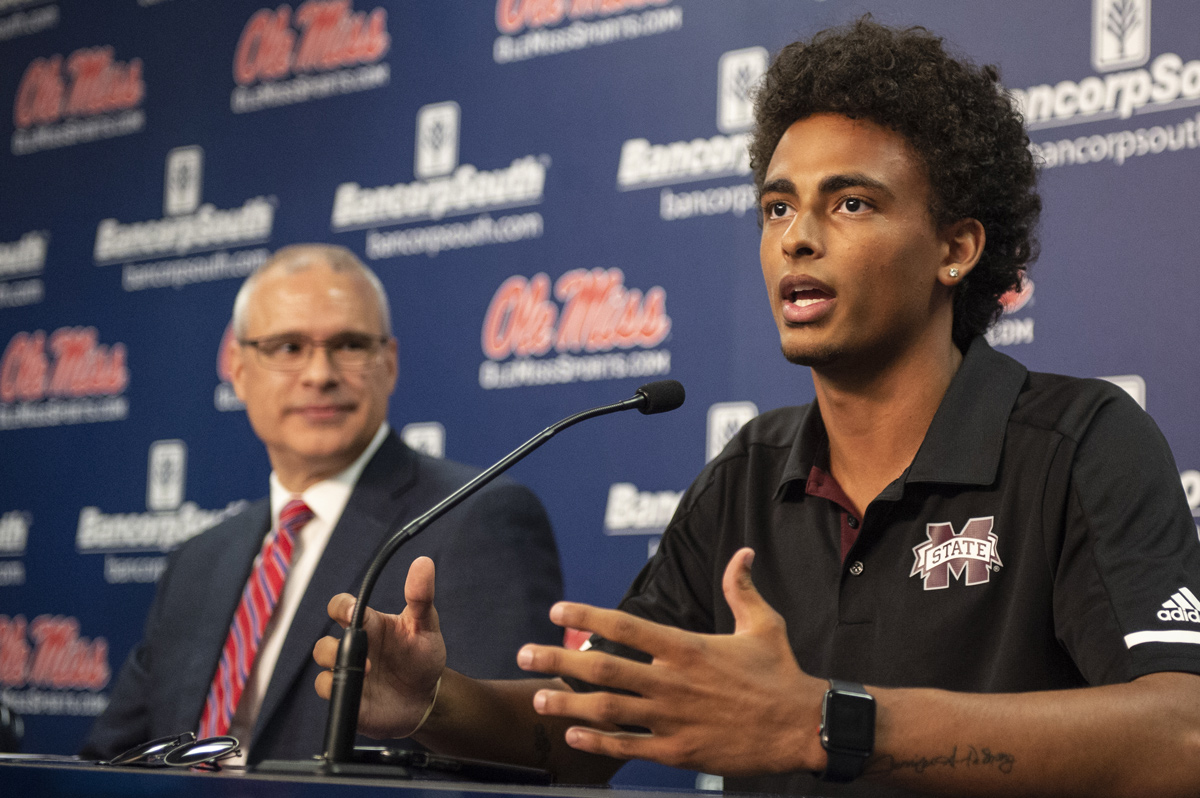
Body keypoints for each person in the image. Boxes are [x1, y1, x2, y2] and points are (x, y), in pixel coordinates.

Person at [312, 19, 1200, 797]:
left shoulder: (1079, 442)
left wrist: (822, 722)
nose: (797, 237)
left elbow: (1182, 736)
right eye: (778, 207)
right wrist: (432, 701)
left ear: (957, 248)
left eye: (851, 202)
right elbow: (590, 734)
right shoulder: (747, 470)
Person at [82, 244, 563, 765]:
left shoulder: (474, 519)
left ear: (390, 364)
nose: (319, 373)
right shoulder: (198, 560)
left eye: (350, 344)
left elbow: (509, 760)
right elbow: (110, 758)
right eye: (288, 347)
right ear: (239, 369)